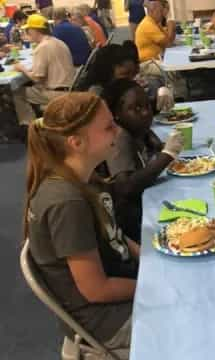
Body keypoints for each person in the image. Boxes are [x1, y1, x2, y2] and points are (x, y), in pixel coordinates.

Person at [24, 92, 138, 358]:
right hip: (107, 321)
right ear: (76, 142)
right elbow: (96, 289)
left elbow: (115, 236)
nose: (118, 130)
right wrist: (154, 283)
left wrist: (151, 257)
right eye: (109, 126)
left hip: (118, 291)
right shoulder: (67, 203)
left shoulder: (86, 179)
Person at [100, 79, 183, 241]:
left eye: (147, 106)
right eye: (136, 108)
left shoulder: (136, 128)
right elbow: (126, 187)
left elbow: (148, 138)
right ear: (116, 114)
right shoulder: (120, 137)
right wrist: (167, 155)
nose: (145, 112)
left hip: (149, 202)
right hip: (136, 222)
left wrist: (157, 143)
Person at [12, 14, 75, 125]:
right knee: (28, 87)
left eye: (28, 30)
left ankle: (30, 126)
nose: (27, 33)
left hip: (55, 93)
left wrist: (22, 69)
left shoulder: (42, 47)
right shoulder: (58, 42)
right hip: (69, 87)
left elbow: (37, 78)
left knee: (17, 92)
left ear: (35, 31)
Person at [135, 0, 176, 75]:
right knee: (173, 70)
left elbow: (169, 40)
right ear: (152, 11)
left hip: (155, 59)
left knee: (176, 62)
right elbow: (168, 44)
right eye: (160, 11)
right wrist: (170, 25)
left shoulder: (154, 23)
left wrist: (172, 28)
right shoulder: (148, 25)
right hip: (147, 63)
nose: (163, 15)